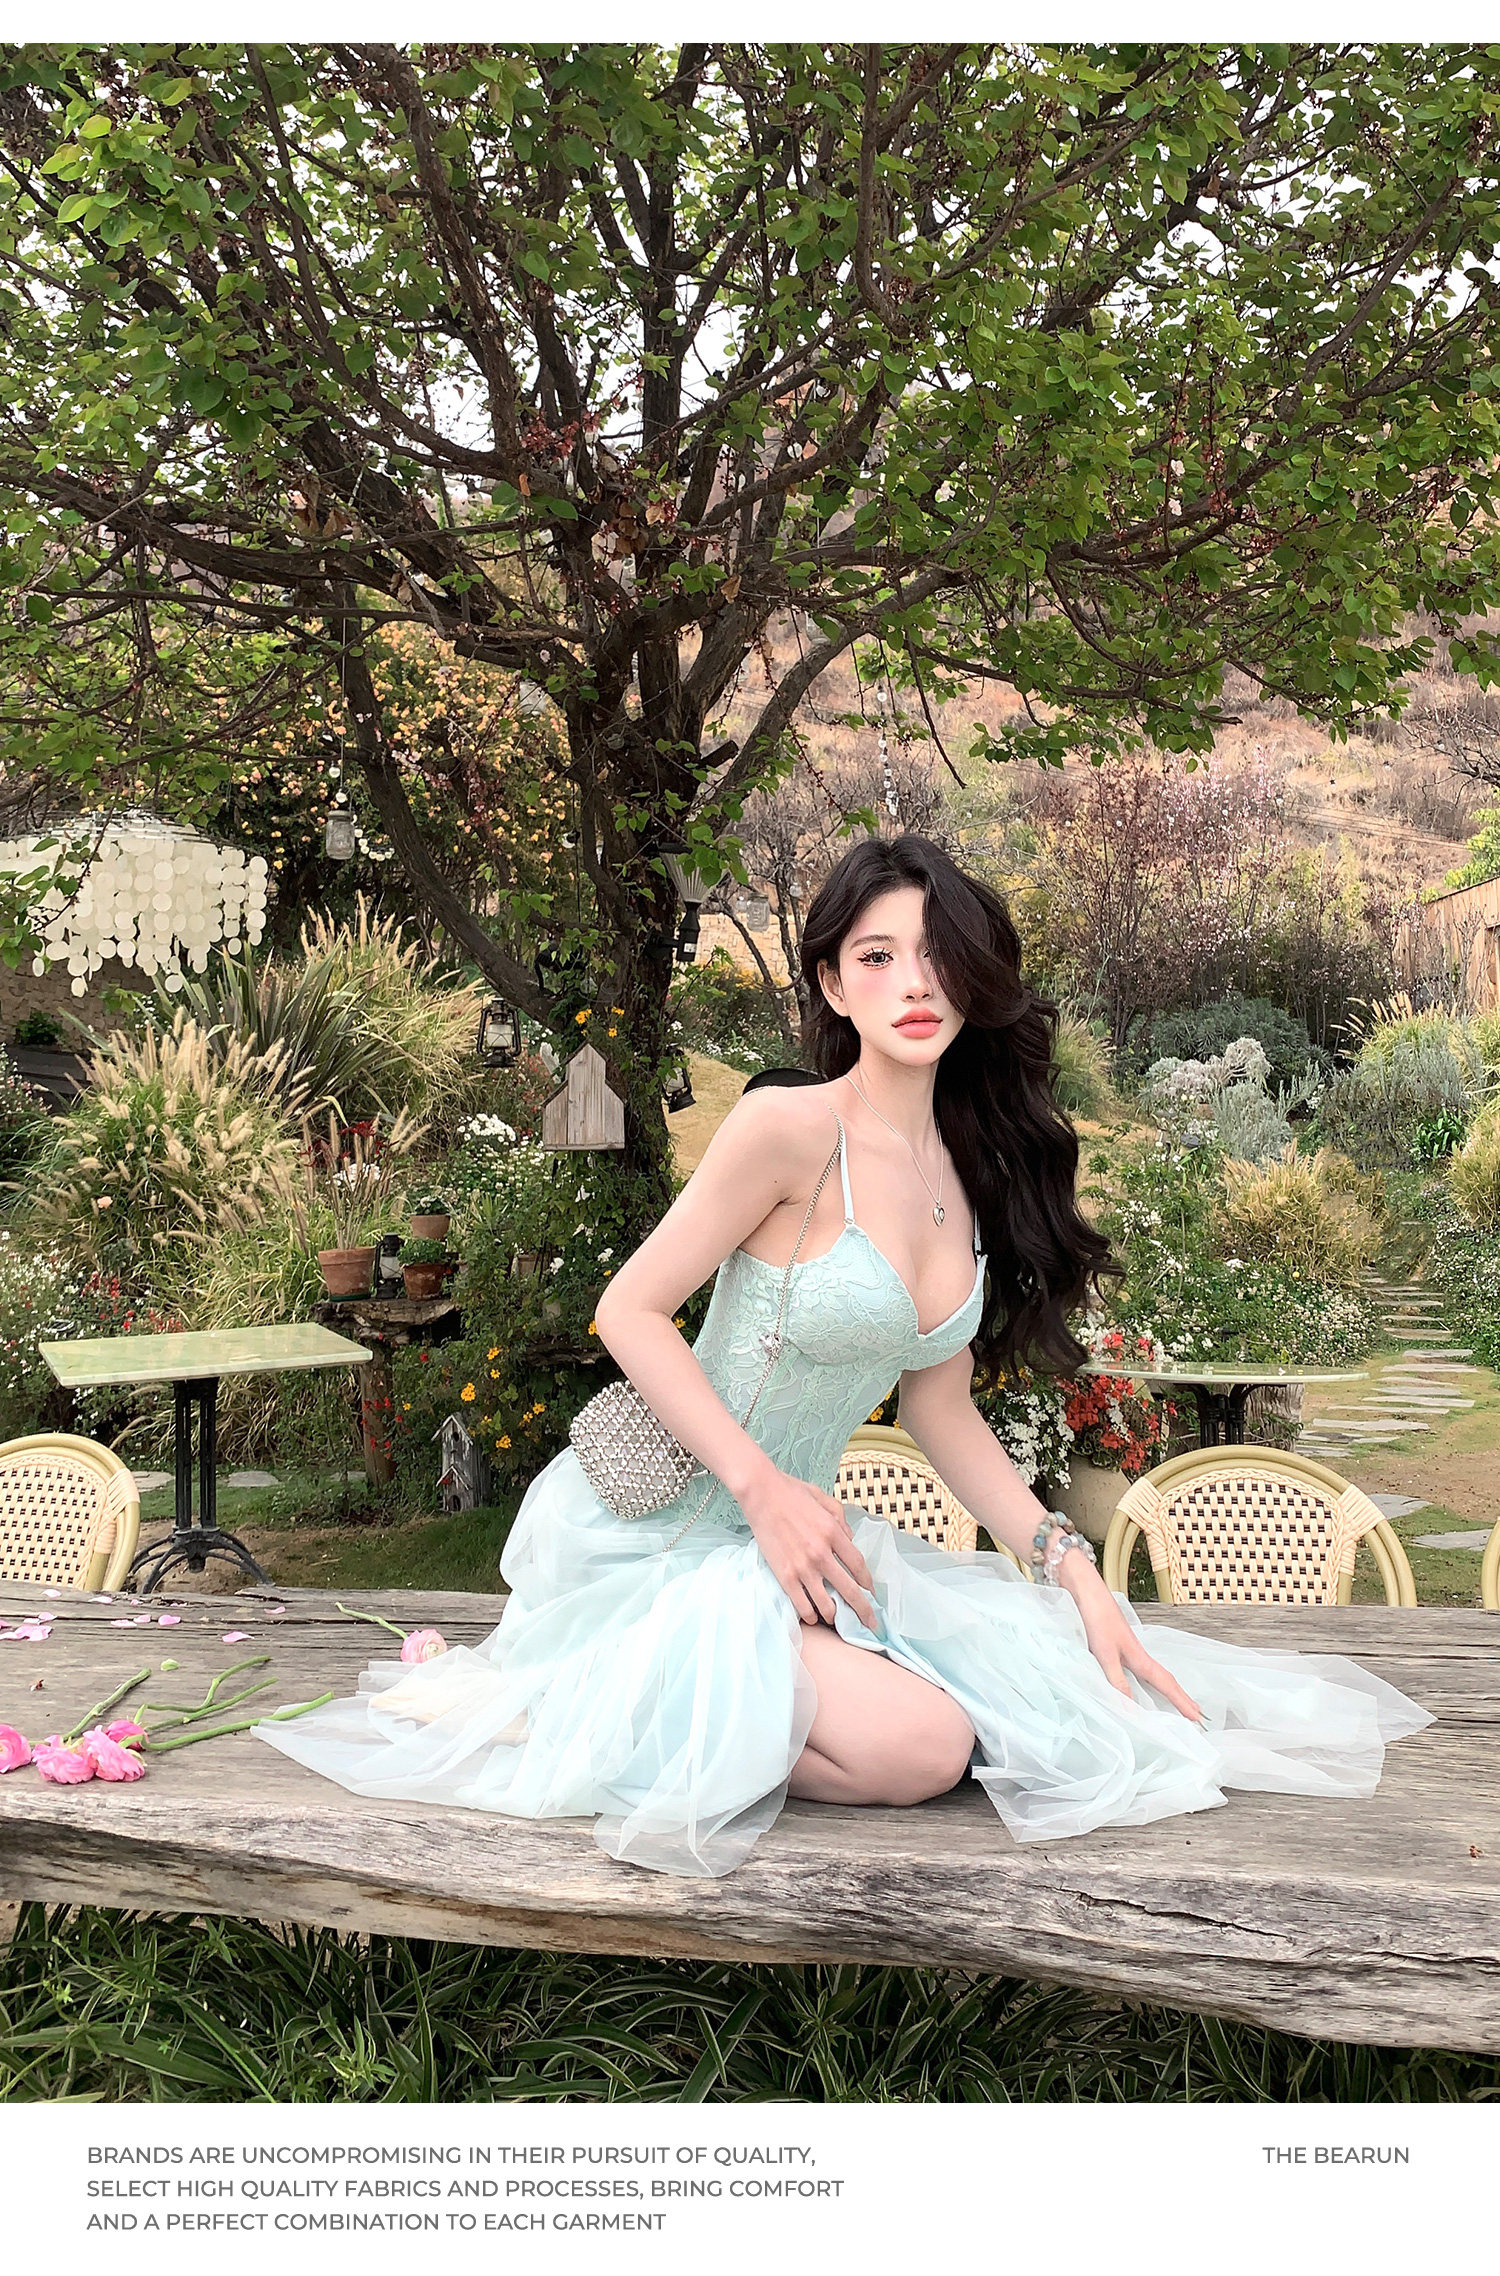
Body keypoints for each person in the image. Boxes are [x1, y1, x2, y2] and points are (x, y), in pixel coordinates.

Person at [255, 833, 1433, 1876]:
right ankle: (582, 1697)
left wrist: (1068, 1561)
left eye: (937, 954)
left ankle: (663, 1704)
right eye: (877, 955)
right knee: (930, 1743)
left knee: (1069, 1691)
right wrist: (763, 1489)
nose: (913, 982)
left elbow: (940, 1410)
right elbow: (629, 1310)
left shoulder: (969, 1172)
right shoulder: (789, 1129)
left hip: (804, 1554)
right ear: (831, 980)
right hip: (668, 1537)